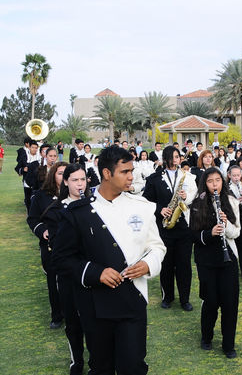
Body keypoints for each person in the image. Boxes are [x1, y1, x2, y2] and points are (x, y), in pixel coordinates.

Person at [53, 145, 166, 374]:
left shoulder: (142, 207)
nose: (131, 176)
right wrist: (96, 272)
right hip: (95, 306)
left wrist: (148, 264)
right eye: (125, 171)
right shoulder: (78, 212)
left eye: (132, 170)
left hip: (133, 301)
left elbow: (157, 247)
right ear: (106, 173)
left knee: (133, 366)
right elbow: (61, 259)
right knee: (101, 367)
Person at [190, 168, 241, 358]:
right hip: (206, 260)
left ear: (222, 181)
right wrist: (209, 233)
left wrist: (226, 225)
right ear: (205, 183)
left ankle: (229, 344)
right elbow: (193, 235)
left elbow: (236, 232)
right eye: (210, 181)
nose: (214, 184)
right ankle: (206, 336)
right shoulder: (197, 203)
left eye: (217, 180)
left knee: (230, 303)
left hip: (228, 259)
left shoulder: (232, 201)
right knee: (210, 301)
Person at [142, 146, 198, 311]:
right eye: (173, 157)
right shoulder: (154, 178)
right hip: (164, 228)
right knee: (166, 265)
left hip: (184, 227)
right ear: (165, 158)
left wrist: (187, 197)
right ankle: (167, 297)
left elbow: (195, 195)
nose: (176, 159)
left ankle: (185, 299)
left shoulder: (188, 176)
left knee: (184, 265)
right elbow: (146, 201)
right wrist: (160, 209)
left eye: (177, 156)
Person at [55, 163, 91, 374]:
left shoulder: (94, 205)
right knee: (72, 321)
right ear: (66, 182)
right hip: (69, 273)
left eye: (83, 179)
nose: (80, 184)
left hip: (91, 272)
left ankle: (96, 359)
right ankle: (76, 361)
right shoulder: (59, 208)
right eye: (75, 180)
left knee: (93, 321)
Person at [26, 160, 69, 329]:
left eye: (66, 174)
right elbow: (32, 219)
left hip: (72, 245)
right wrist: (42, 230)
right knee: (53, 280)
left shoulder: (76, 194)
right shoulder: (41, 195)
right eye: (60, 173)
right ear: (53, 175)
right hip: (51, 244)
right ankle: (57, 315)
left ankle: (74, 314)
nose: (63, 177)